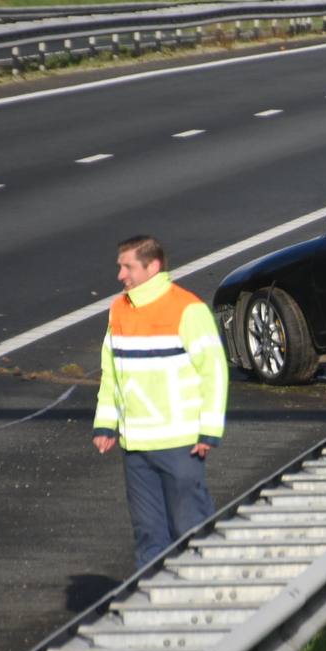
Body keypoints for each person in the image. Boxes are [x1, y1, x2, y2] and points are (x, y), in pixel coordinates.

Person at [92, 235, 228, 568]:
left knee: (191, 530)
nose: (121, 275)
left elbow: (214, 372)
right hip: (136, 445)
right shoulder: (118, 310)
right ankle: (152, 606)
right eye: (120, 267)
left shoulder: (187, 309)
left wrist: (209, 431)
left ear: (152, 266)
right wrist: (106, 424)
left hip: (181, 443)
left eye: (128, 267)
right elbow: (111, 373)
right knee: (149, 536)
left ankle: (207, 596)